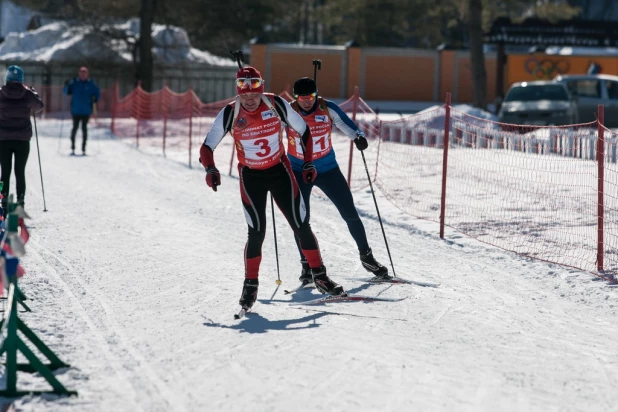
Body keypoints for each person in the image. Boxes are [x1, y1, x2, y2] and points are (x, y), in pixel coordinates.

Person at [200, 66, 345, 310]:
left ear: (261, 88)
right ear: (238, 91)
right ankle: (250, 286)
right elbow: (207, 147)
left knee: (301, 224)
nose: (250, 96)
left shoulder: (275, 104)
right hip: (251, 176)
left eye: (254, 89)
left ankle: (319, 275)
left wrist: (308, 161)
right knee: (256, 232)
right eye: (244, 91)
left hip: (280, 171)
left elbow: (303, 130)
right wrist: (210, 169)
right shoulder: (229, 113)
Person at [287, 77, 391, 283]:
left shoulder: (327, 108)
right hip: (298, 171)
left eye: (310, 97)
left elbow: (348, 125)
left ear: (316, 94)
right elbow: (270, 129)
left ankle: (367, 257)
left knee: (350, 213)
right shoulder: (288, 111)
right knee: (300, 221)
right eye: (301, 97)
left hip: (327, 170)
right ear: (295, 97)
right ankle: (307, 266)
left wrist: (358, 138)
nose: (307, 101)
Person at [0, 66, 44, 214]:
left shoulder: (1, 93)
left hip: (3, 139)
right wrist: (34, 93)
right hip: (22, 140)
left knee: (4, 172)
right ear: (21, 79)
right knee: (20, 171)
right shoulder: (27, 94)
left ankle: (4, 201)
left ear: (7, 79)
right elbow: (39, 107)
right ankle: (20, 202)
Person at [63, 66, 100, 155]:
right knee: (75, 128)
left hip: (86, 110)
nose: (83, 75)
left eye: (85, 73)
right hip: (75, 110)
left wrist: (95, 99)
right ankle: (73, 147)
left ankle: (83, 148)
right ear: (79, 74)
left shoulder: (90, 83)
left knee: (84, 129)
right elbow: (66, 92)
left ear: (87, 74)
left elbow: (97, 93)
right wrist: (66, 85)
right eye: (81, 73)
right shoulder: (74, 82)